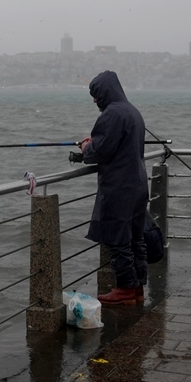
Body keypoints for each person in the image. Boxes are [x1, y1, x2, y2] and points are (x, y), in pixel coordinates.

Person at [80, 71, 149, 305]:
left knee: (117, 238)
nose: (94, 100)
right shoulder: (132, 111)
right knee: (135, 237)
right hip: (138, 183)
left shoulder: (112, 114)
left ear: (104, 93)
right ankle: (138, 286)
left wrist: (86, 147)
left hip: (120, 186)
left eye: (96, 94)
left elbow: (101, 151)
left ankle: (125, 289)